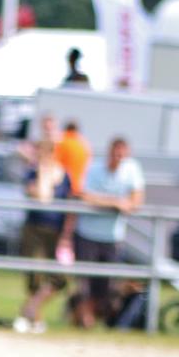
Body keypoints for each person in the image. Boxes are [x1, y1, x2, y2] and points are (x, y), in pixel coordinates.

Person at [73, 137, 145, 327]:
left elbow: (136, 201)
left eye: (122, 154)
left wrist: (110, 202)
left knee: (109, 287)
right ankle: (83, 322)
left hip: (113, 237)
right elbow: (84, 196)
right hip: (87, 234)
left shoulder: (131, 170)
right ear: (109, 152)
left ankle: (99, 321)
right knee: (84, 285)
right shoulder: (94, 168)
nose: (118, 157)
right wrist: (115, 202)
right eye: (115, 153)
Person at [14, 139, 74, 334]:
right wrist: (42, 172)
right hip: (34, 230)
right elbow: (40, 196)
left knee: (59, 277)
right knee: (34, 273)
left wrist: (66, 234)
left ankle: (29, 310)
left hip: (55, 231)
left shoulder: (63, 175)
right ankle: (34, 317)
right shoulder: (33, 172)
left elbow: (67, 204)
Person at [56, 120, 90, 198]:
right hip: (80, 186)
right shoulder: (84, 145)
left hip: (65, 186)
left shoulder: (62, 142)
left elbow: (57, 164)